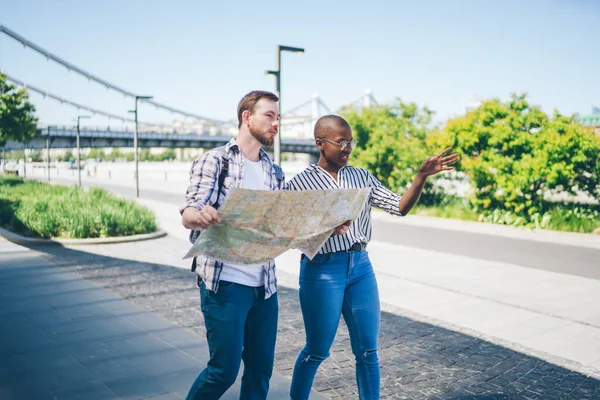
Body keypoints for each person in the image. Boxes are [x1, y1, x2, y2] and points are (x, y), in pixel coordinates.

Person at [287, 115, 459, 399]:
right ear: (320, 143)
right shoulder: (300, 183)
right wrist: (325, 229)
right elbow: (289, 233)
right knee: (317, 350)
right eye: (340, 141)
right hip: (322, 270)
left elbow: (399, 207)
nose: (347, 147)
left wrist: (421, 176)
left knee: (368, 350)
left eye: (350, 141)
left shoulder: (362, 177)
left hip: (360, 269)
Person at [180, 90, 285, 400]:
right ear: (246, 117)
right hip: (225, 283)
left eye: (278, 118)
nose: (275, 123)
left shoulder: (274, 171)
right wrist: (201, 216)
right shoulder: (217, 160)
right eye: (270, 115)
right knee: (223, 371)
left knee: (260, 371)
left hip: (265, 286)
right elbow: (188, 212)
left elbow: (279, 226)